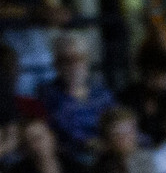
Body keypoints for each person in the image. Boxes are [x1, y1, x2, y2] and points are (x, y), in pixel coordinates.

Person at [38, 31, 116, 164]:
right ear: (56, 65)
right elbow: (67, 132)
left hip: (111, 151)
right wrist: (95, 144)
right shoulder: (50, 95)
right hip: (74, 159)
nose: (74, 65)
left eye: (79, 58)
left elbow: (116, 119)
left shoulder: (101, 92)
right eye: (66, 61)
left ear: (87, 61)